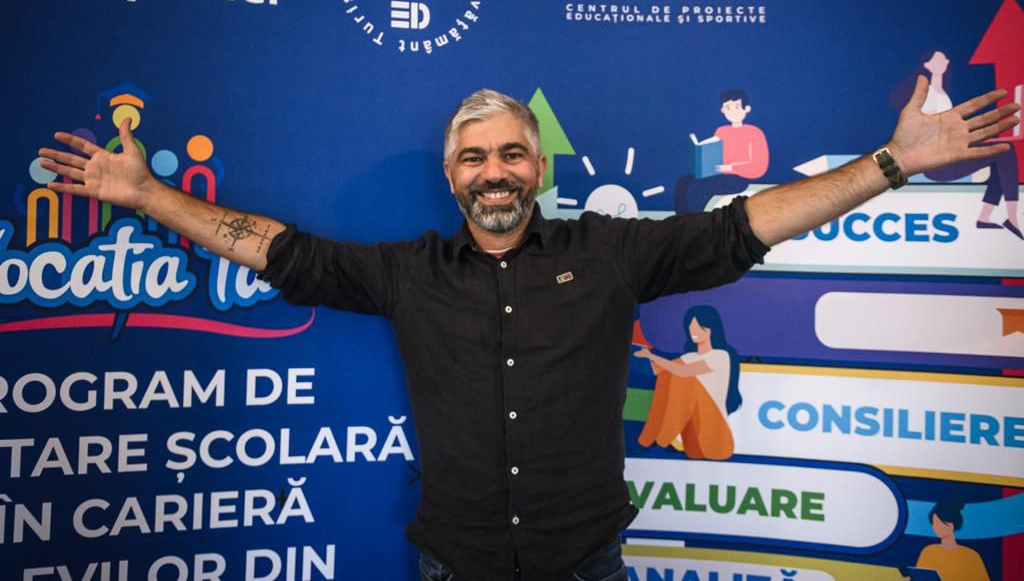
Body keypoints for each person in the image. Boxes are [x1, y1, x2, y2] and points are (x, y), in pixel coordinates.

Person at [38, 80, 1018, 581]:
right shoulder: (407, 272)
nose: (494, 171)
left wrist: (892, 162)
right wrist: (149, 194)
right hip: (453, 564)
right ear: (452, 176)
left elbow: (745, 225)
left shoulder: (612, 252)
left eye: (512, 152)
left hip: (587, 562)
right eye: (474, 158)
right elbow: (276, 250)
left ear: (538, 168)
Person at [917, 50, 1022, 240]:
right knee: (1003, 152)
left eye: (944, 59)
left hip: (948, 156)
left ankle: (985, 217)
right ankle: (1012, 217)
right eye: (937, 59)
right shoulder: (929, 94)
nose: (943, 62)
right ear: (927, 65)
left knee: (1000, 152)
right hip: (936, 164)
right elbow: (931, 131)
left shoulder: (941, 93)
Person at [635, 306, 741, 460]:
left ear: (711, 329)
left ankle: (661, 441)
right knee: (666, 376)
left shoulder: (720, 356)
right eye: (691, 327)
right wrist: (636, 356)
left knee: (684, 379)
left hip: (717, 442)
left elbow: (682, 371)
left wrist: (651, 356)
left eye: (698, 328)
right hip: (693, 443)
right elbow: (656, 370)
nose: (693, 332)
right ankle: (647, 440)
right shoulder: (689, 357)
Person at [673, 89, 769, 214]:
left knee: (697, 187)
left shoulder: (754, 133)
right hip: (718, 174)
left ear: (746, 109)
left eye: (737, 107)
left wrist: (730, 168)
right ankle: (681, 220)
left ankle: (695, 220)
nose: (732, 112)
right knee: (683, 182)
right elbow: (715, 156)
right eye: (728, 108)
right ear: (723, 110)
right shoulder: (721, 131)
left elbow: (759, 167)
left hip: (739, 178)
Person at [903, 501, 990, 581]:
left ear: (952, 525)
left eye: (940, 523)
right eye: (934, 523)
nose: (936, 527)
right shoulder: (929, 551)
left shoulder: (971, 556)